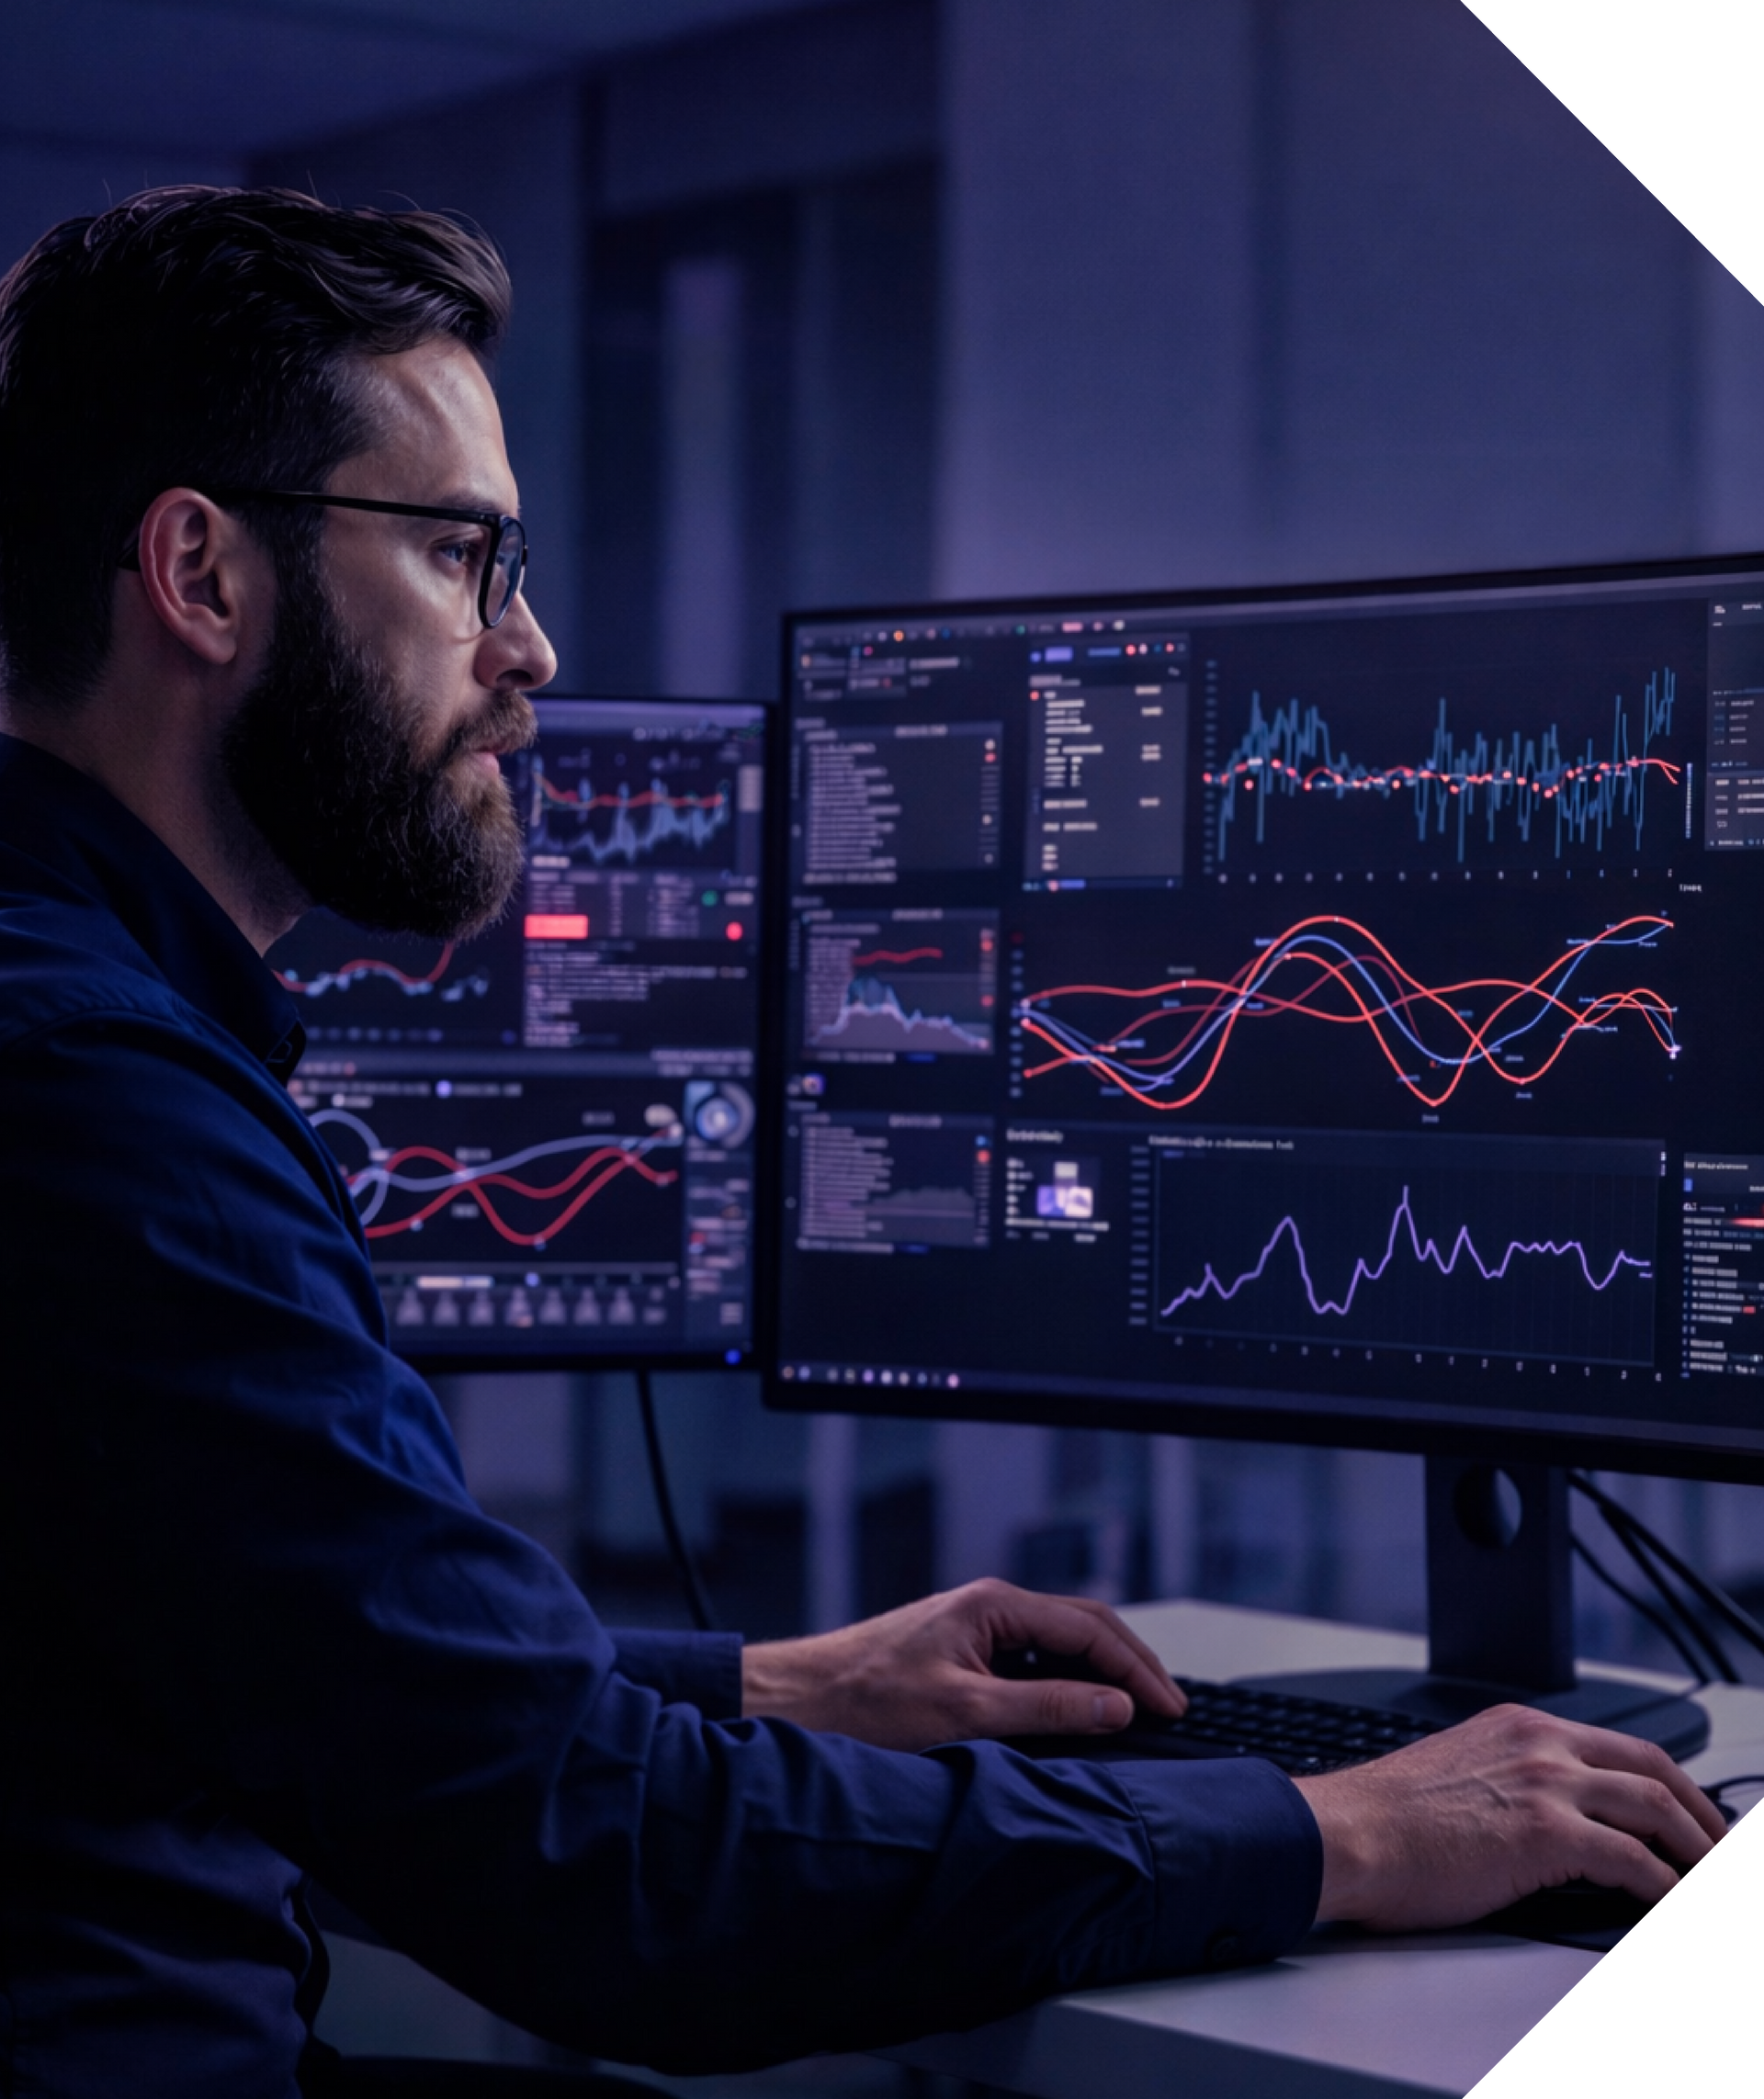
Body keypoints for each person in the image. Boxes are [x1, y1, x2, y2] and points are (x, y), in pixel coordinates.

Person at [0, 187, 1724, 2099]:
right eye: (465, 556)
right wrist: (1348, 1836)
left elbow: (320, 1666)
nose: (534, 646)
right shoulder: (100, 1110)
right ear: (202, 572)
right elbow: (600, 1861)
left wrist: (770, 1684)